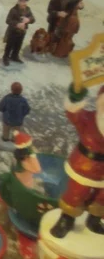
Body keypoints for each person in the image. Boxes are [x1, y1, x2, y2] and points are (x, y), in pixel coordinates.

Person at [50, 85, 104, 238]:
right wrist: (75, 99)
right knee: (76, 193)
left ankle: (94, 219)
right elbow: (74, 113)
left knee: (102, 198)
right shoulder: (89, 119)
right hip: (85, 165)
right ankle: (67, 219)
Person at [2, 0, 35, 66]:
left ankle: (14, 56)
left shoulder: (28, 10)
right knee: (10, 45)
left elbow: (33, 19)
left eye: (25, 1)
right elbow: (8, 20)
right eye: (21, 1)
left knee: (18, 45)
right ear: (18, 1)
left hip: (22, 32)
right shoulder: (13, 10)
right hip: (13, 31)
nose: (23, 3)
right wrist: (17, 24)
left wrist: (28, 19)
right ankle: (6, 57)